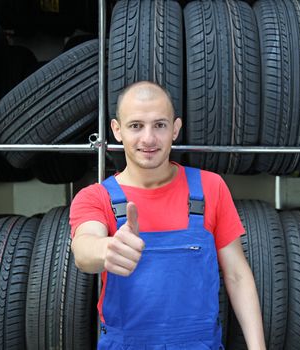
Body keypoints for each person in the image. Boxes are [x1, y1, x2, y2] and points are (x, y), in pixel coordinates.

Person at [69, 81, 266, 349]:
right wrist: (106, 249)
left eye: (159, 125)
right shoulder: (96, 197)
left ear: (175, 129)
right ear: (117, 130)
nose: (148, 139)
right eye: (136, 126)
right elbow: (83, 250)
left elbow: (237, 274)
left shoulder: (210, 188)